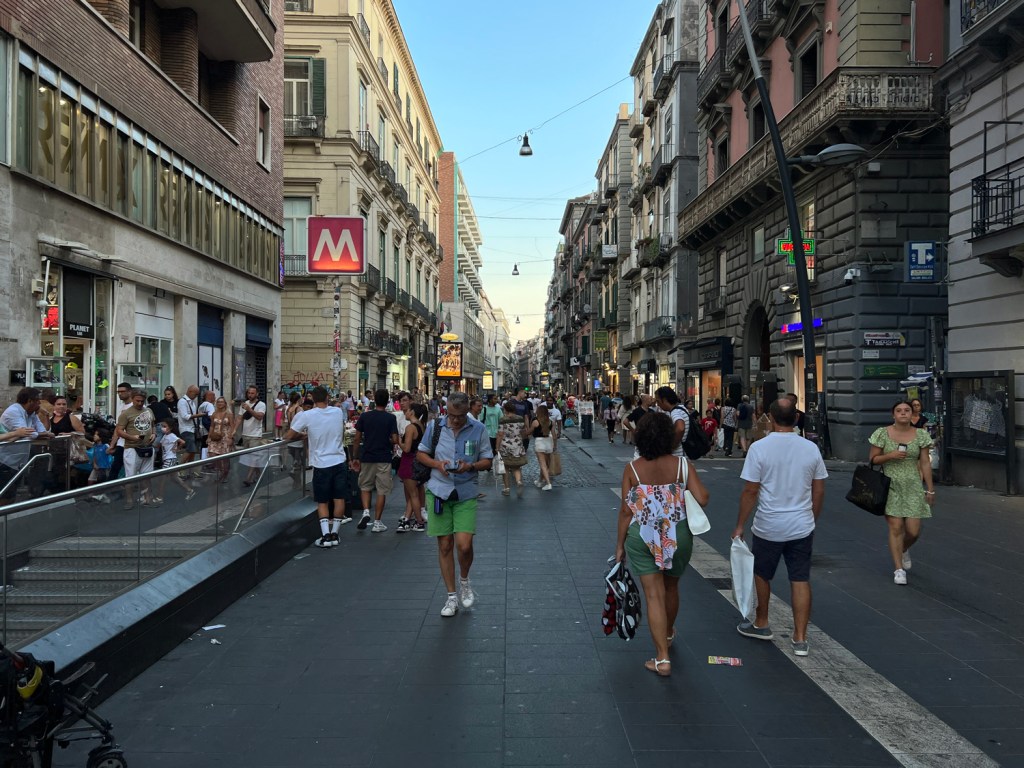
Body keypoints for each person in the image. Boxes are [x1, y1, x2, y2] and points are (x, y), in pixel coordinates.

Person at [614, 412, 709, 677]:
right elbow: (702, 498)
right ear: (669, 437)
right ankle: (667, 632)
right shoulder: (682, 465)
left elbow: (625, 511)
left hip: (642, 535)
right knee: (671, 587)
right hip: (678, 534)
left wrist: (619, 546)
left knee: (653, 594)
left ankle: (662, 659)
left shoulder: (632, 469)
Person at [733, 398, 828, 656]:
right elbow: (818, 489)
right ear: (796, 419)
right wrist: (812, 517)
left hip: (768, 524)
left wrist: (740, 524)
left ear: (771, 419)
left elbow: (751, 490)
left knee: (763, 573)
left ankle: (762, 622)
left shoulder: (759, 448)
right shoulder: (810, 448)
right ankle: (800, 638)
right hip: (801, 525)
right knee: (800, 578)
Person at [416, 391, 493, 617]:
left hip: (466, 492)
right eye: (451, 415)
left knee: (464, 545)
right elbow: (421, 454)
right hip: (439, 491)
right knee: (445, 545)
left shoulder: (478, 429)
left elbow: (488, 460)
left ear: (467, 410)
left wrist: (470, 466)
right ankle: (451, 597)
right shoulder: (436, 427)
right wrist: (438, 464)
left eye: (459, 416)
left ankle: (465, 580)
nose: (455, 420)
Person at [868, 401, 935, 586]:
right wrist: (890, 456)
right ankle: (898, 569)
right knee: (896, 527)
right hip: (890, 484)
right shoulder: (882, 433)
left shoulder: (920, 435)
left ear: (912, 414)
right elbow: (873, 459)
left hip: (913, 485)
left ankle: (903, 548)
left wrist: (930, 488)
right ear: (893, 415)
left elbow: (925, 463)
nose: (903, 413)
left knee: (913, 531)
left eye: (907, 410)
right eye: (899, 411)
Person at [283, 386, 352, 547]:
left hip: (321, 464)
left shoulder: (306, 415)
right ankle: (335, 533)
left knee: (322, 501)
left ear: (312, 398)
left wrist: (304, 434)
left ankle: (325, 536)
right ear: (328, 397)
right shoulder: (336, 412)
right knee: (339, 498)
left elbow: (289, 435)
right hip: (339, 460)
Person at [350, 388, 400, 532]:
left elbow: (357, 437)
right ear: (387, 401)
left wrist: (355, 457)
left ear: (374, 400)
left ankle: (366, 511)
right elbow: (395, 439)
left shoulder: (365, 416)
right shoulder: (391, 418)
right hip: (384, 456)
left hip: (367, 455)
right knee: (381, 490)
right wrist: (390, 440)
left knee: (365, 486)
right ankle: (377, 522)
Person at [0, 388, 52, 502]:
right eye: (38, 401)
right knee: (5, 495)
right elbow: (29, 433)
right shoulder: (14, 411)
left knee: (11, 494)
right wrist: (41, 434)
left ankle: (7, 518)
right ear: (30, 401)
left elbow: (42, 430)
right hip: (5, 460)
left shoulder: (31, 412)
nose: (40, 404)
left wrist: (43, 432)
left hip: (18, 461)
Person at [114, 389, 158, 509]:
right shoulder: (126, 413)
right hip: (132, 448)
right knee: (130, 476)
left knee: (147, 475)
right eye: (137, 401)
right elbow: (119, 431)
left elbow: (153, 425)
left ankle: (148, 499)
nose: (139, 403)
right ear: (133, 399)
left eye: (142, 401)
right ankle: (129, 500)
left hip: (147, 447)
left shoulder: (149, 410)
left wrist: (154, 434)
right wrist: (132, 437)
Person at [396, 403, 427, 533]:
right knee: (414, 492)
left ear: (412, 412)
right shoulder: (421, 426)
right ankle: (407, 519)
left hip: (409, 462)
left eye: (407, 410)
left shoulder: (410, 428)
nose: (405, 412)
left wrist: (398, 441)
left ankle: (419, 522)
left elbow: (407, 448)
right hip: (418, 461)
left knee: (412, 495)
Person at [153, 419, 196, 503]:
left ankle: (160, 497)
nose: (162, 428)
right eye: (162, 426)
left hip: (170, 459)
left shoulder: (172, 436)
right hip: (167, 459)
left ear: (170, 428)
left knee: (162, 478)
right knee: (175, 478)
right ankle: (190, 490)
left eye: (165, 426)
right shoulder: (165, 436)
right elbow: (159, 445)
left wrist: (177, 449)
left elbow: (182, 442)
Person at [497, 400, 528, 497]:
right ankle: (518, 481)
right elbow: (523, 431)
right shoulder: (520, 418)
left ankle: (507, 488)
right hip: (517, 444)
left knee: (505, 467)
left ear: (505, 409)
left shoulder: (503, 419)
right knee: (516, 466)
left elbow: (500, 434)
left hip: (505, 445)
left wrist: (497, 447)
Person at [238, 386, 267, 486]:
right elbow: (240, 418)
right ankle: (259, 474)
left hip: (255, 435)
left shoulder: (261, 405)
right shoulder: (244, 404)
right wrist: (233, 430)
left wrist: (249, 409)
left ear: (257, 394)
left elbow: (259, 417)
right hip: (245, 434)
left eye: (252, 393)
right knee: (251, 458)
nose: (250, 395)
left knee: (254, 457)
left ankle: (248, 478)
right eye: (249, 393)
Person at [107, 382, 133, 483]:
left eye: (122, 391)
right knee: (115, 468)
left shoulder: (133, 406)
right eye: (118, 392)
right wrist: (113, 444)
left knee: (125, 469)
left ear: (130, 392)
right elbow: (118, 427)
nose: (120, 394)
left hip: (130, 443)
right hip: (122, 443)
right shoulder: (122, 406)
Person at [206, 396, 237, 483]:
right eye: (218, 402)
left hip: (225, 436)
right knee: (212, 454)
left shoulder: (229, 414)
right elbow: (212, 426)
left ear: (225, 404)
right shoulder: (214, 414)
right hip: (215, 436)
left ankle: (225, 475)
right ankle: (221, 471)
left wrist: (230, 437)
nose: (220, 403)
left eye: (222, 402)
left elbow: (232, 426)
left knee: (224, 457)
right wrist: (209, 437)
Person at [653, 386, 689, 457]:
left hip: (677, 456)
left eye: (658, 401)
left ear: (665, 400)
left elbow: (680, 428)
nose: (657, 404)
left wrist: (671, 447)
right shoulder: (682, 408)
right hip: (682, 455)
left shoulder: (675, 412)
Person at [529, 404, 557, 491]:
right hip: (548, 441)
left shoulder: (535, 421)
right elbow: (554, 435)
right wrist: (555, 446)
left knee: (543, 464)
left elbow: (530, 431)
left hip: (539, 442)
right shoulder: (551, 422)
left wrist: (523, 433)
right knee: (545, 464)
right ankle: (540, 481)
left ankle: (548, 483)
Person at [177, 384, 202, 472]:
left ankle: (190, 470)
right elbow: (185, 416)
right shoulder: (182, 402)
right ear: (190, 391)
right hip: (186, 429)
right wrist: (200, 415)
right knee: (190, 449)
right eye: (195, 394)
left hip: (192, 429)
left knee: (193, 451)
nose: (196, 397)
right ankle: (179, 470)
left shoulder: (191, 402)